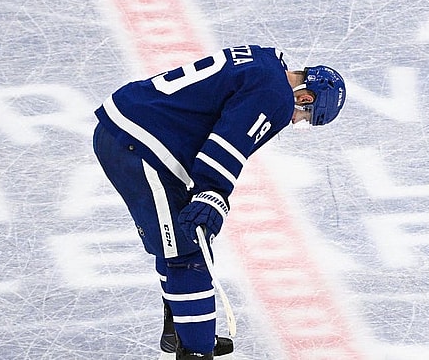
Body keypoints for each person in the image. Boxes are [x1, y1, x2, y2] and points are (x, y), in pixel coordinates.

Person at [92, 45, 346, 359]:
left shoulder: (265, 61)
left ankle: (182, 331)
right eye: (306, 116)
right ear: (306, 97)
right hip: (141, 147)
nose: (297, 121)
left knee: (173, 240)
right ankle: (195, 350)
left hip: (127, 131)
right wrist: (212, 193)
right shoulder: (277, 97)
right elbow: (229, 142)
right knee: (189, 251)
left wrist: (206, 192)